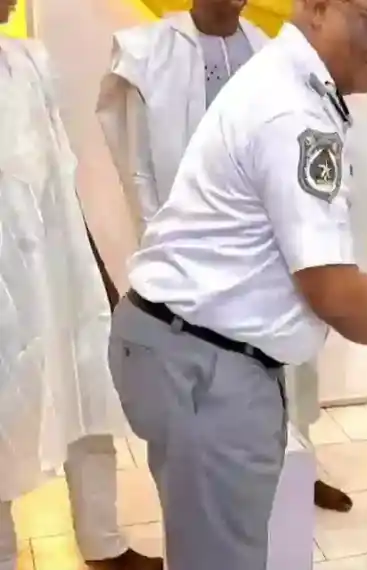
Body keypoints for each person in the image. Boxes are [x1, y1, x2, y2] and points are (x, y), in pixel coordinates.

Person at [105, 0, 367, 568]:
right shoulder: (294, 112)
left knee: (217, 548)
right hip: (204, 361)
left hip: (198, 348)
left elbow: (296, 260)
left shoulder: (292, 85)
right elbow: (329, 291)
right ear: (318, 8)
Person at [96, 0, 352, 513]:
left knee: (291, 366)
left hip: (270, 245)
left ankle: (295, 464)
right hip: (194, 255)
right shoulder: (150, 51)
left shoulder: (270, 48)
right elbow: (139, 171)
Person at [0, 11, 161, 570]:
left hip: (57, 268)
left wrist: (95, 269)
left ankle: (103, 543)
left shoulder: (29, 62)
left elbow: (60, 179)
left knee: (87, 394)